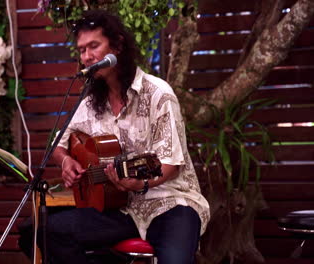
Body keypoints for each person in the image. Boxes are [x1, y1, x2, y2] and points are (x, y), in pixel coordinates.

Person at [30, 10, 211, 263]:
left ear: (117, 45)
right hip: (120, 208)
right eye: (82, 50)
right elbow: (57, 145)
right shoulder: (91, 102)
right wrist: (65, 162)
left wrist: (140, 184)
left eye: (94, 46)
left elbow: (169, 163)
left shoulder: (158, 93)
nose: (87, 57)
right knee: (40, 230)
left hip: (170, 202)